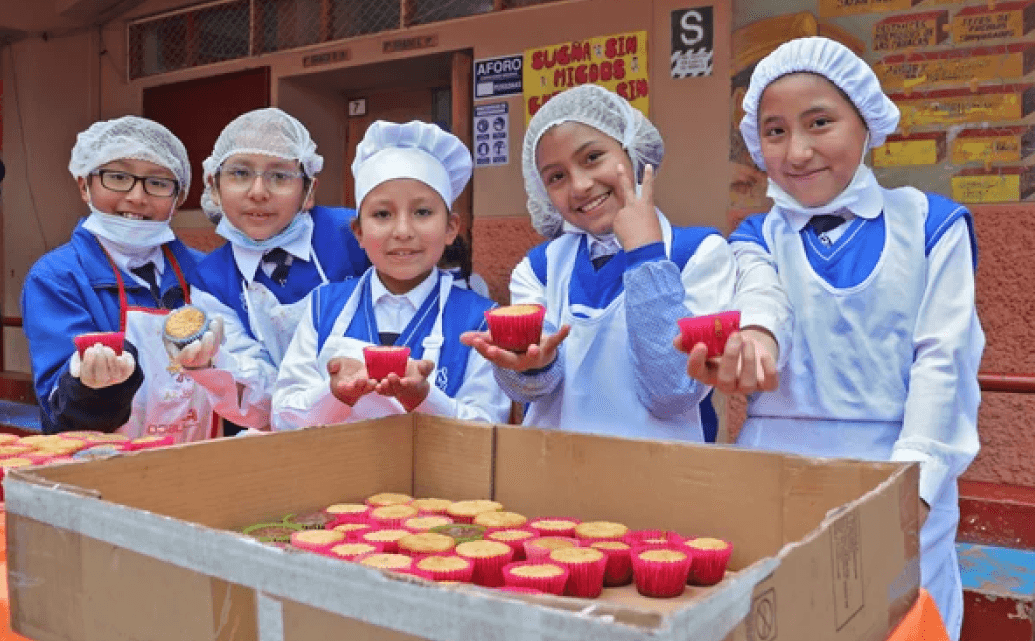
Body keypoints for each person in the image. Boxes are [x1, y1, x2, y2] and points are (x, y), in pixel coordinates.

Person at [724, 37, 982, 639]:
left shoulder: (931, 224)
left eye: (820, 122)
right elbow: (762, 303)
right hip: (775, 473)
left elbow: (943, 360)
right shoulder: (756, 236)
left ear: (867, 120)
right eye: (775, 131)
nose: (798, 150)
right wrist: (756, 339)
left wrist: (910, 492)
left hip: (899, 472)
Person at [463, 84, 737, 442]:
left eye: (592, 157)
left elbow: (673, 391)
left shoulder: (699, 254)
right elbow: (532, 391)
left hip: (668, 483)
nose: (579, 185)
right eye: (556, 177)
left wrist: (645, 254)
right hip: (556, 478)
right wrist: (533, 365)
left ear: (633, 151)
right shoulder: (540, 268)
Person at [272, 120, 510, 428]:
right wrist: (333, 395)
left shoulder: (480, 321)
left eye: (422, 212)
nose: (402, 231)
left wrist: (426, 398)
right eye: (382, 214)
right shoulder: (323, 307)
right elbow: (283, 418)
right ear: (358, 232)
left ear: (451, 228)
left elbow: (488, 429)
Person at [21, 116, 223, 441]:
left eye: (158, 183)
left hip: (202, 464)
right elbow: (62, 414)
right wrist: (89, 384)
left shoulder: (209, 274)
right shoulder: (59, 277)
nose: (137, 197)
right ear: (84, 185)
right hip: (101, 471)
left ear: (179, 197)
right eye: (117, 176)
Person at [186, 108, 369, 433]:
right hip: (283, 434)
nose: (258, 192)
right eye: (240, 174)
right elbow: (254, 394)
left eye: (280, 176)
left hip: (377, 420)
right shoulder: (212, 280)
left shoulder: (353, 234)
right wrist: (212, 367)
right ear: (214, 187)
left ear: (309, 191)